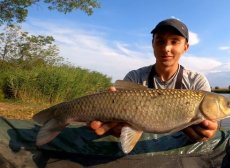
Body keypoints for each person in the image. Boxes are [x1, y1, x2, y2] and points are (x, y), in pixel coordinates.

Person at [90, 18, 218, 142]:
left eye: (174, 42)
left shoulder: (197, 82)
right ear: (153, 44)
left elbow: (211, 124)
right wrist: (116, 128)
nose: (166, 48)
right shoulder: (135, 77)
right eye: (160, 41)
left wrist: (208, 131)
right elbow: (119, 127)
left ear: (186, 47)